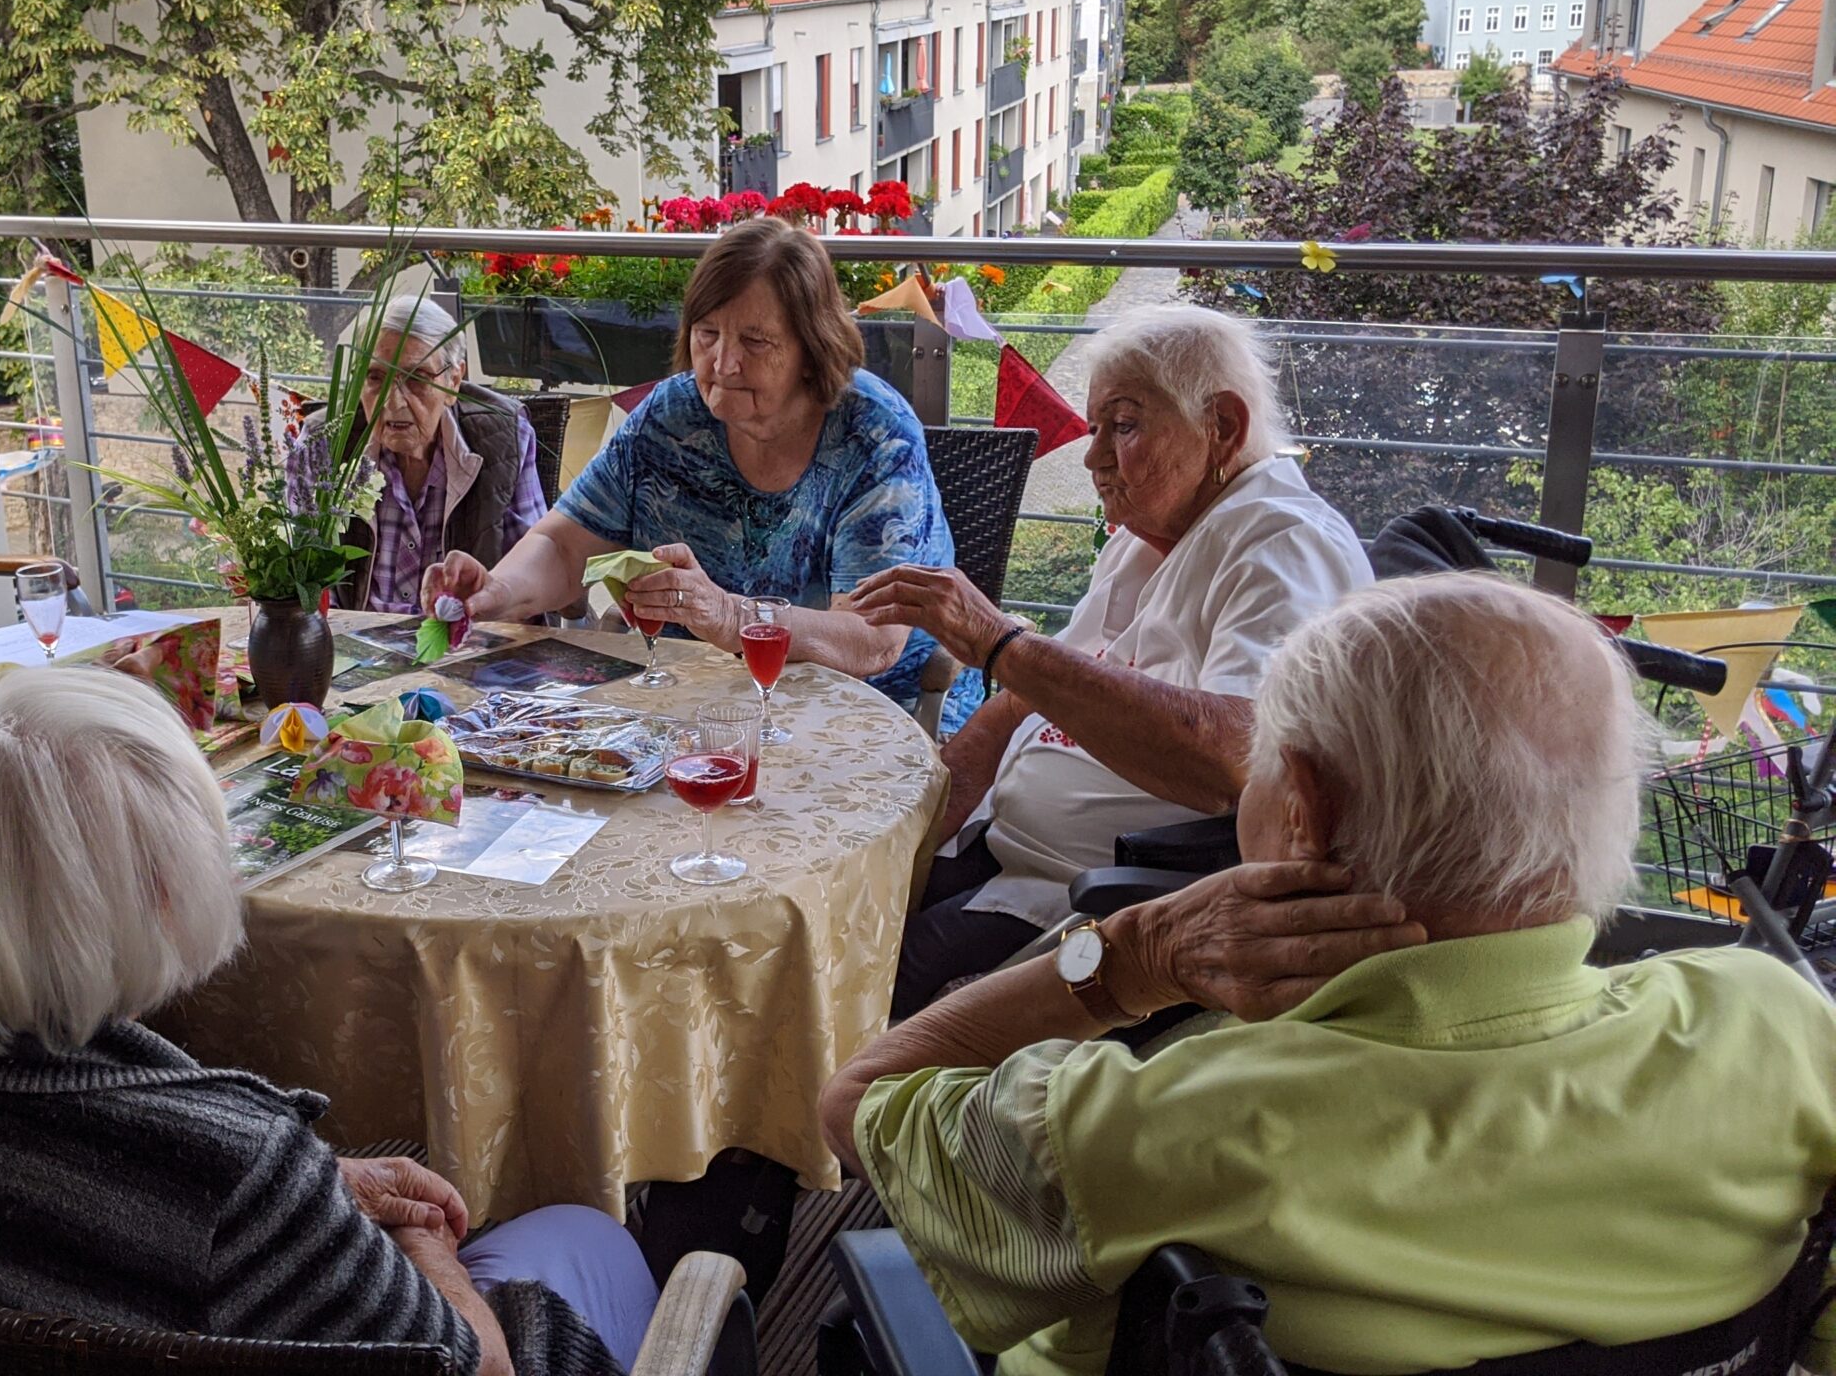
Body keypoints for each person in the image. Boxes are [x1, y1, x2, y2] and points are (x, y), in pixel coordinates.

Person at [823, 573, 1836, 1376]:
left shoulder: (1174, 1125)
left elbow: (860, 1101)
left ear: (1298, 806)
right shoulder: (1782, 1027)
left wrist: (1127, 958)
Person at [0, 666, 660, 1376]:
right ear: (150, 897)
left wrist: (319, 1188)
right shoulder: (236, 1176)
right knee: (588, 1237)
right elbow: (482, 1368)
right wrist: (419, 1244)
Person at [851, 304, 1370, 1015]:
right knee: (835, 910)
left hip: (1101, 899)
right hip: (1005, 849)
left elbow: (1240, 759)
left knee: (855, 989)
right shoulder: (1143, 535)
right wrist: (923, 817)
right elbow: (1024, 700)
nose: (1092, 457)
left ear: (1222, 427)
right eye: (1094, 428)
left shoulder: (1279, 545)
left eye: (1122, 427)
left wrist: (1002, 642)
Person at [424, 218, 952, 706]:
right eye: (707, 334)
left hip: (866, 718)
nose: (722, 363)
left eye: (755, 340)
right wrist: (498, 591)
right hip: (690, 702)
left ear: (811, 347)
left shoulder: (872, 431)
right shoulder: (671, 415)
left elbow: (872, 641)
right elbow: (564, 548)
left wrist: (729, 616)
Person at [303, 294, 548, 614]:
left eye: (417, 378)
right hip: (353, 645)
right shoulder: (324, 441)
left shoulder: (506, 437)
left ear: (454, 380)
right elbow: (306, 578)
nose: (393, 403)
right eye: (376, 377)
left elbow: (533, 566)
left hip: (463, 644)